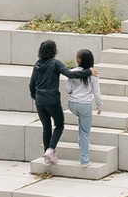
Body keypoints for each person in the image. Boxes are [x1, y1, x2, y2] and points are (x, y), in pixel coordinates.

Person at [27, 39, 89, 167]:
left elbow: (31, 84)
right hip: (52, 100)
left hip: (39, 101)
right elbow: (70, 75)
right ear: (54, 50)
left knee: (46, 127)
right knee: (59, 125)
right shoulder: (55, 64)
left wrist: (35, 97)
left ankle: (46, 157)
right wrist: (89, 72)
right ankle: (50, 150)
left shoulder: (37, 65)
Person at [66, 48, 99, 166]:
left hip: (72, 105)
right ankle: (84, 160)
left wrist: (73, 95)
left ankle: (81, 141)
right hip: (85, 105)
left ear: (79, 60)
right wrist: (99, 106)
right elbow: (97, 93)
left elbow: (67, 89)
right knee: (85, 131)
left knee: (81, 119)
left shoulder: (73, 72)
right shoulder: (94, 74)